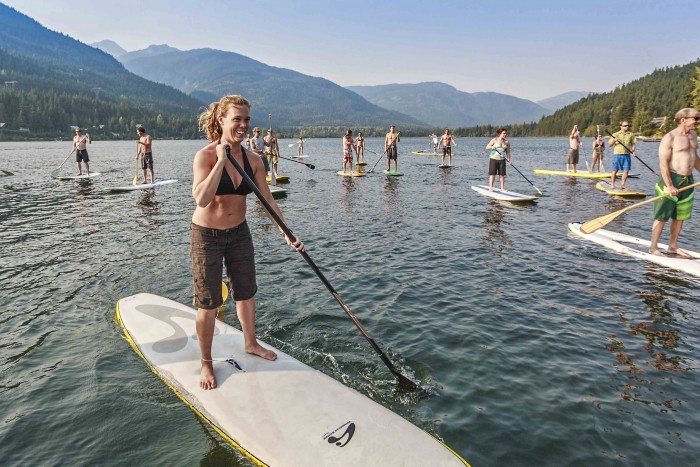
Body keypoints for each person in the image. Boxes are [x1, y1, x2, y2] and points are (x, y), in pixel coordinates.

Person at [191, 94, 304, 390]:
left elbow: (267, 200)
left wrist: (286, 232)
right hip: (207, 236)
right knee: (208, 304)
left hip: (239, 232)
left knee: (246, 293)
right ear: (221, 120)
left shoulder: (254, 160)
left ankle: (251, 343)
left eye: (246, 120)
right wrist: (222, 159)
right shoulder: (205, 156)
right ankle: (205, 362)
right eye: (236, 119)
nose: (243, 125)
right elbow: (201, 198)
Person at [649, 108, 700, 257]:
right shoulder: (670, 137)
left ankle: (673, 246)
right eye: (696, 118)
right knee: (662, 215)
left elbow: (694, 157)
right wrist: (670, 185)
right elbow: (663, 164)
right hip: (671, 179)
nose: (698, 121)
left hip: (688, 180)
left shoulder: (693, 135)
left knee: (680, 216)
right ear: (683, 120)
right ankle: (653, 247)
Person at [608, 120, 637, 189]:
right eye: (625, 126)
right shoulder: (615, 134)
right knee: (615, 170)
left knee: (626, 171)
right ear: (621, 126)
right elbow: (610, 144)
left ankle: (623, 185)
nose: (627, 127)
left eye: (628, 125)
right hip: (617, 154)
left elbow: (633, 144)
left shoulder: (631, 134)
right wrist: (614, 141)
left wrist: (632, 150)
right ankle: (612, 184)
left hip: (626, 155)